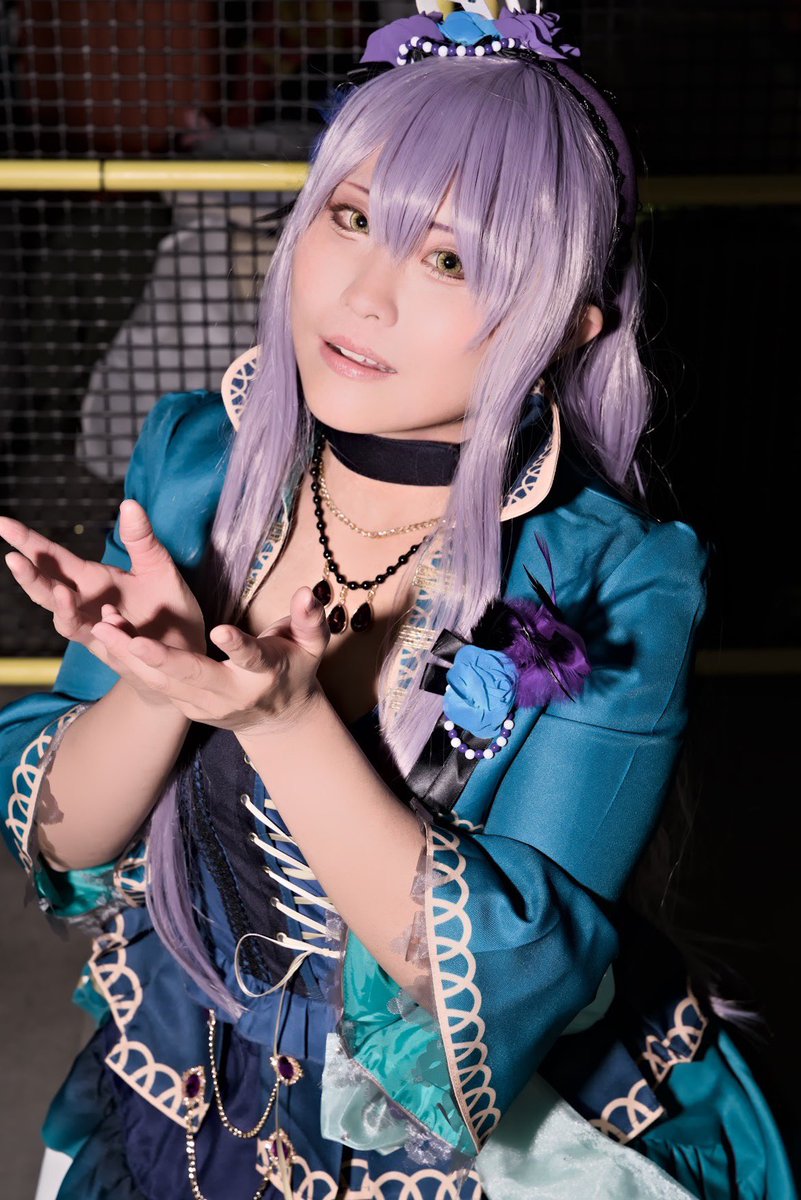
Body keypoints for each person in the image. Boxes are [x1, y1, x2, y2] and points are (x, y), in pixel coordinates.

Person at [0, 5, 796, 1199]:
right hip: (187, 1081)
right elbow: (64, 844)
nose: (365, 295)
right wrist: (159, 682)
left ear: (568, 325)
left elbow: (503, 980)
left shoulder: (619, 578)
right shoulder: (195, 464)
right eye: (353, 218)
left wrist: (283, 724)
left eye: (450, 260)